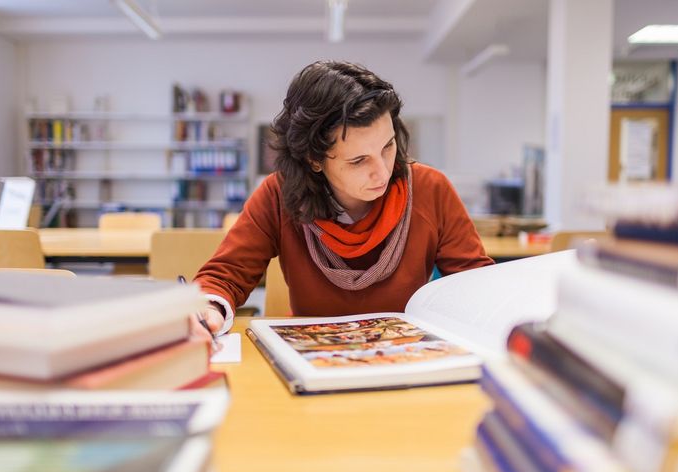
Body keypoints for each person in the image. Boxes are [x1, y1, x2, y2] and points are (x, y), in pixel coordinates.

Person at [191, 60, 494, 337]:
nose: (383, 172)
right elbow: (226, 274)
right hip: (310, 354)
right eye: (359, 160)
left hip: (406, 356)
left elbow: (475, 284)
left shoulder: (431, 189)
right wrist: (209, 309)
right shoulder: (278, 195)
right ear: (314, 159)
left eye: (388, 147)